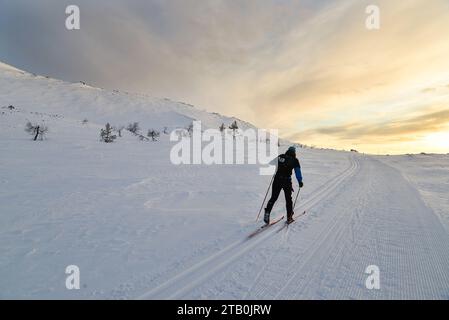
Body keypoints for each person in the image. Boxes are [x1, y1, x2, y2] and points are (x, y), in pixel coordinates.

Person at [264, 146, 303, 224]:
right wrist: (300, 181)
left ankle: (267, 212)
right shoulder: (295, 160)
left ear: (287, 151)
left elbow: (271, 162)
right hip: (287, 181)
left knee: (273, 197)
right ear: (294, 152)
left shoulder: (281, 156)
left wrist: (279, 165)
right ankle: (289, 217)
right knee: (288, 200)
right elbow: (297, 172)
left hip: (277, 179)